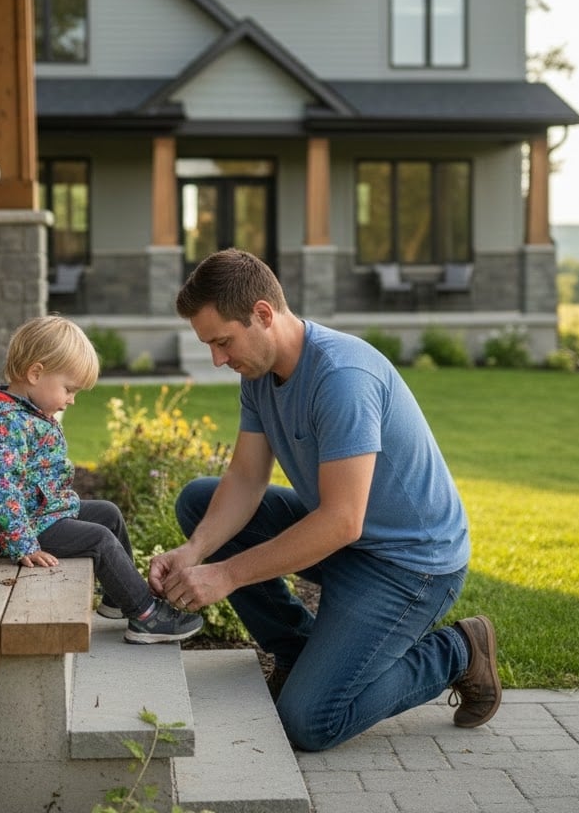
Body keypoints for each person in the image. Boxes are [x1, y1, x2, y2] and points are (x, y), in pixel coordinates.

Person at [148, 249, 500, 749]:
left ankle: (459, 650)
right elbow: (246, 477)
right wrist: (195, 552)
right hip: (348, 541)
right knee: (199, 500)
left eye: (223, 342)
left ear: (263, 315)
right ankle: (296, 651)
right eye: (210, 346)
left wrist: (224, 575)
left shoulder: (341, 378)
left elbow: (341, 522)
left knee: (310, 721)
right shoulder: (259, 376)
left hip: (410, 566)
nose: (218, 359)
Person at [0, 314, 203, 645]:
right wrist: (23, 543)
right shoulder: (6, 424)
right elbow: (3, 489)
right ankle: (145, 616)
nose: (71, 400)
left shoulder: (23, 410)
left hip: (36, 514)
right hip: (11, 531)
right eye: (68, 389)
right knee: (98, 539)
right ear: (35, 373)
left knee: (108, 513)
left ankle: (118, 598)